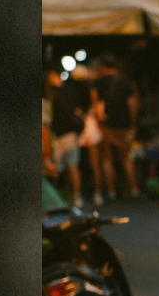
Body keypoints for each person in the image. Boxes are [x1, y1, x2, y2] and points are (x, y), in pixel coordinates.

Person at [93, 53, 141, 199]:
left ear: (104, 67)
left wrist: (100, 122)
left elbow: (97, 105)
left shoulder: (98, 83)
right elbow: (133, 104)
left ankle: (111, 192)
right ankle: (134, 189)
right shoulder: (126, 82)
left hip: (107, 127)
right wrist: (132, 123)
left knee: (107, 160)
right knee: (126, 158)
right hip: (124, 127)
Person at [48, 66, 87, 206]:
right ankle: (76, 197)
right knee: (72, 165)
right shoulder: (70, 91)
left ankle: (52, 199)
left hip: (59, 134)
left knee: (53, 168)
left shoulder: (52, 93)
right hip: (71, 132)